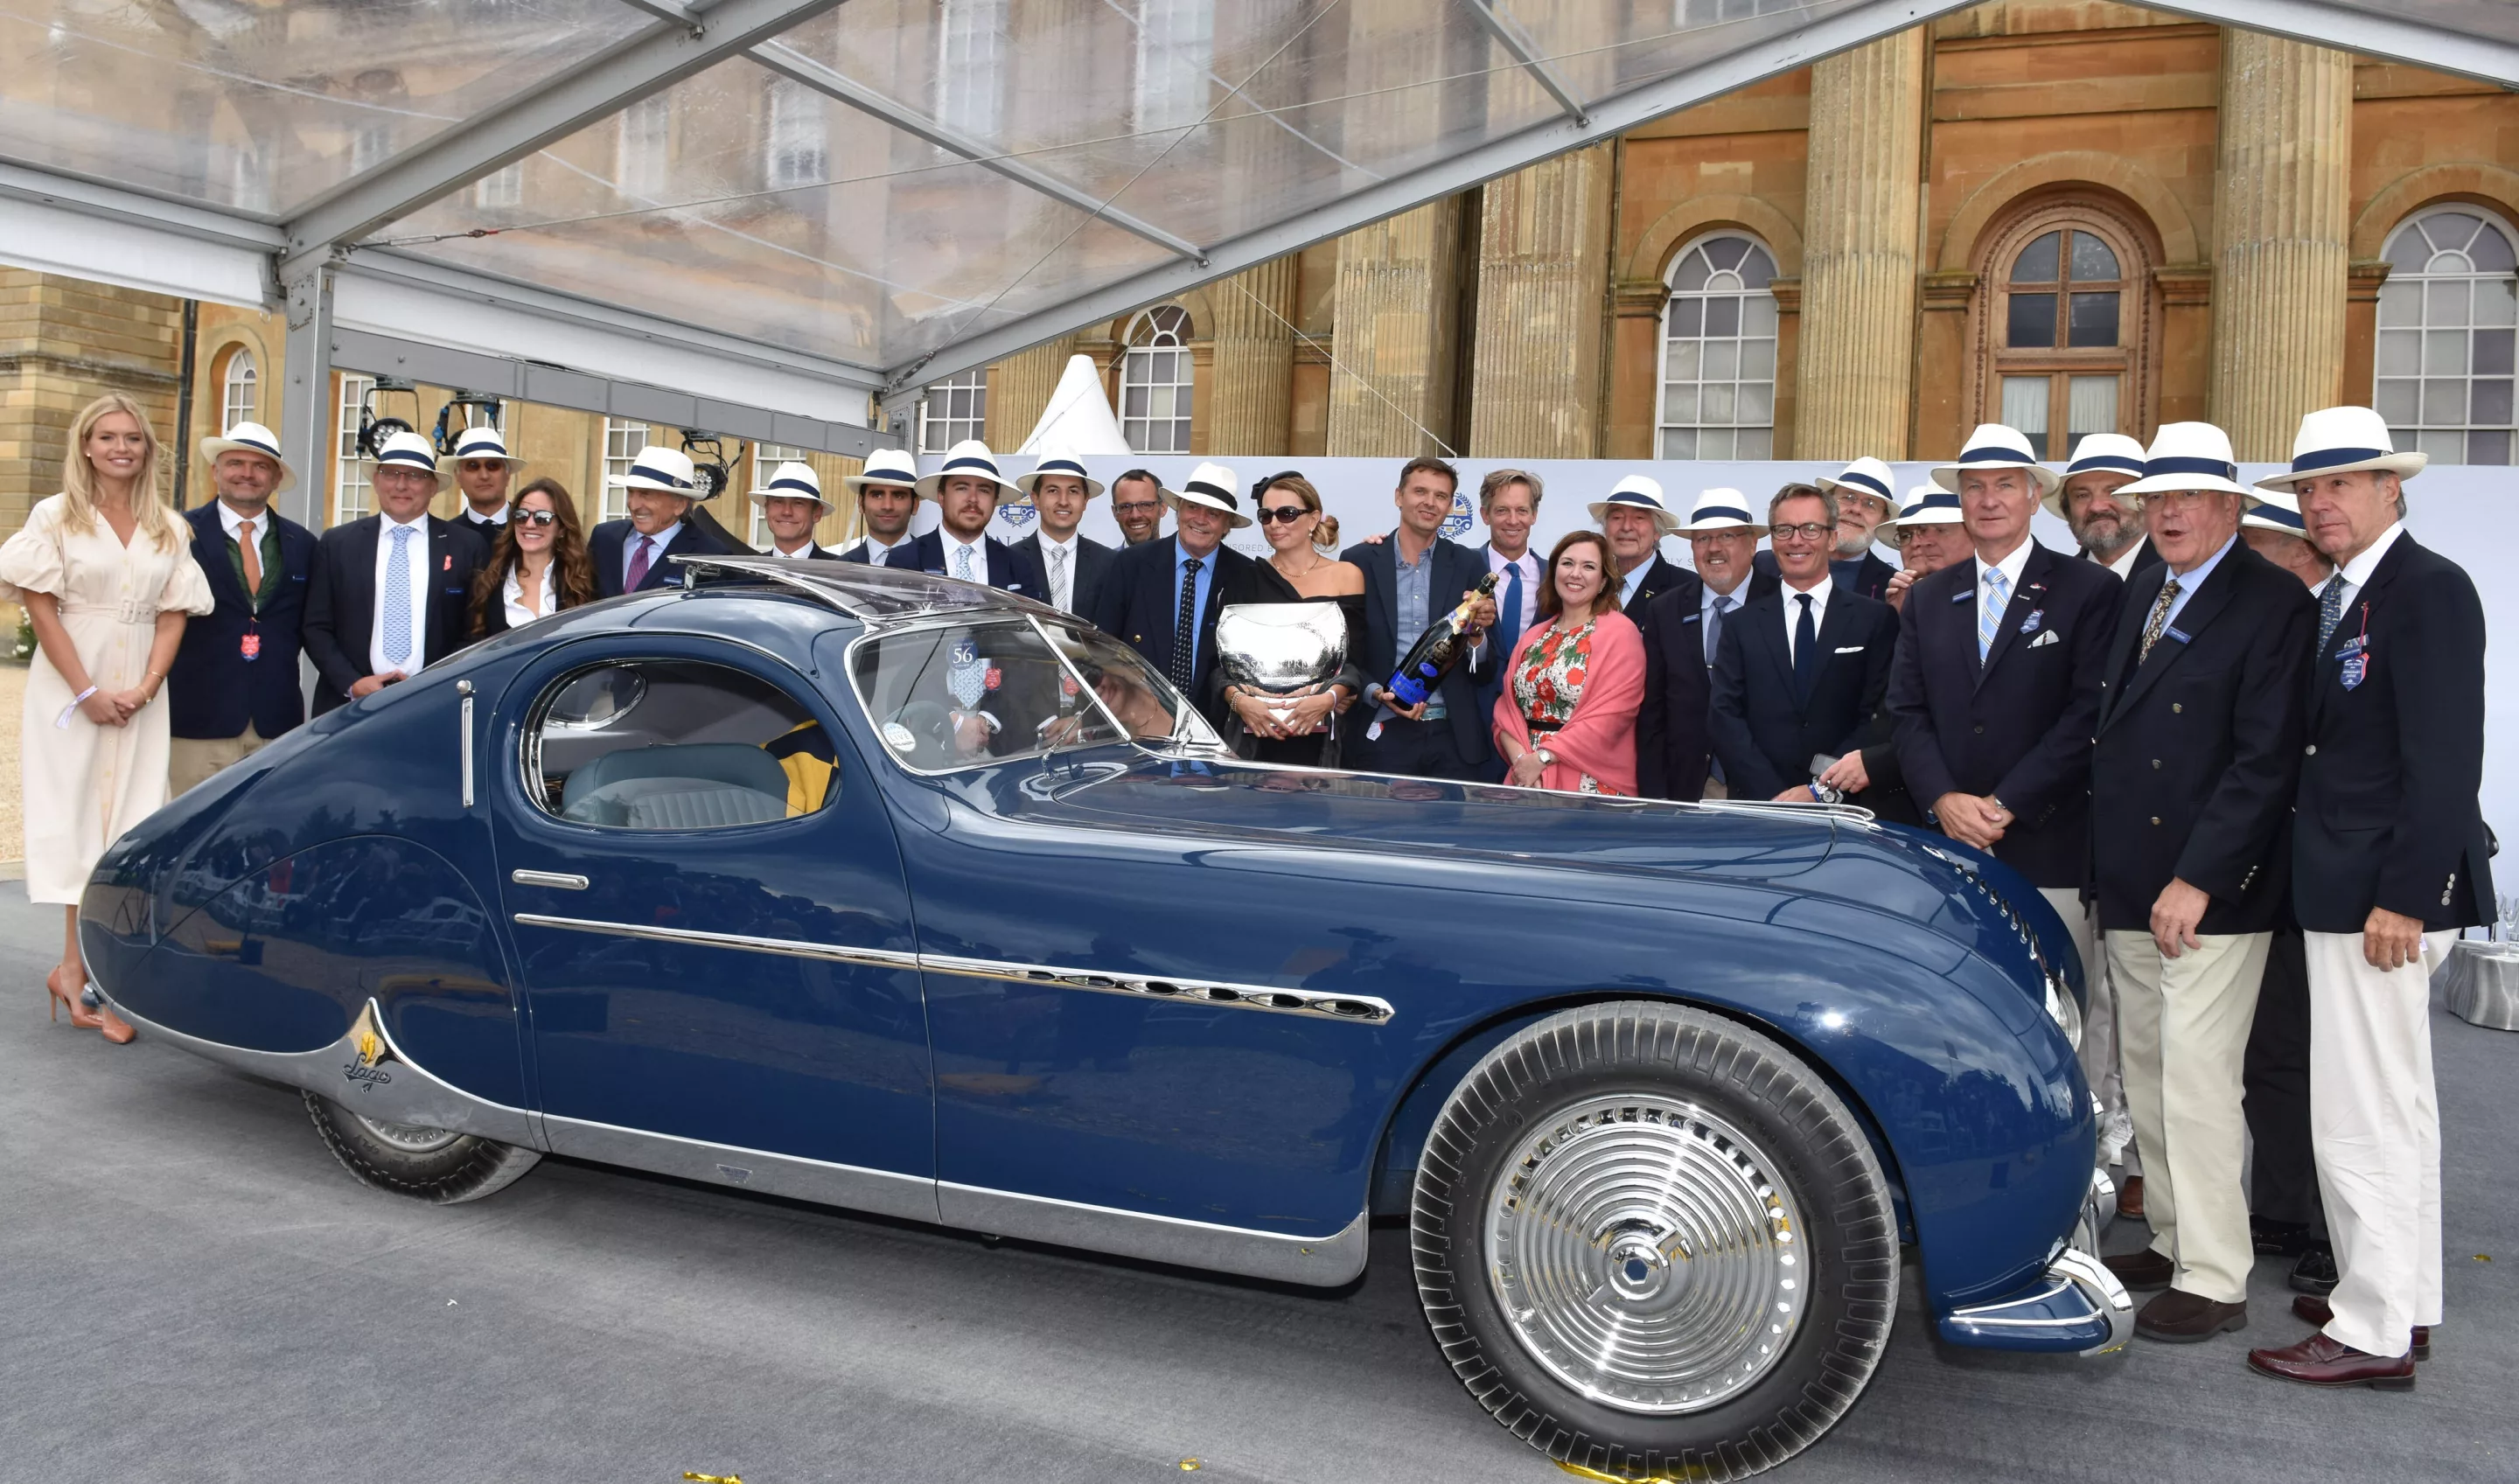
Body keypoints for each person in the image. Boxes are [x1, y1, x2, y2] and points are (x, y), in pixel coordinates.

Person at [2246, 407, 2494, 1391]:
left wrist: (2407, 894)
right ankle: (2402, 1297)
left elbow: (2443, 762)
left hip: (2379, 899)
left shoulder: (2425, 589)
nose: (2320, 502)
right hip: (2349, 887)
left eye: (2341, 483)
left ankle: (2372, 1325)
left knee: (2361, 1115)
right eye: (2309, 487)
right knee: (2393, 1109)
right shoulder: (2347, 595)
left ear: (2393, 487)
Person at [2084, 422, 2315, 1345]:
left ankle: (2217, 1275)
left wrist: (2200, 877)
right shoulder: (2148, 582)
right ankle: (2178, 1236)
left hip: (2210, 893)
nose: (2170, 512)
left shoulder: (2273, 603)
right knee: (2148, 1073)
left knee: (2198, 1080)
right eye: (2158, 497)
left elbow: (2264, 764)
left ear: (2231, 506)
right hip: (2135, 883)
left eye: (2191, 497)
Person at [1888, 422, 2121, 1106]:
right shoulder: (1932, 596)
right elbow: (1906, 712)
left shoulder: (2087, 590)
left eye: (2004, 486)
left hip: (2049, 844)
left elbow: (2088, 715)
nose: (1988, 499)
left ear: (2032, 497)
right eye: (1975, 487)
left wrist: (2007, 803)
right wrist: (1945, 800)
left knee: (2061, 1023)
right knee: (1954, 1018)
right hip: (1948, 847)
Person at [2, 394, 214, 1042]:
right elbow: (40, 609)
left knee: (130, 830)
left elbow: (175, 611)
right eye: (108, 436)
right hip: (71, 688)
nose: (122, 447)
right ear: (86, 446)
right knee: (75, 824)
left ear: (148, 449)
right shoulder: (54, 517)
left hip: (143, 689)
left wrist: (147, 686)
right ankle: (78, 971)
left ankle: (101, 973)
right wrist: (87, 689)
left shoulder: (167, 527)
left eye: (134, 438)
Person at [2235, 484, 2338, 1292]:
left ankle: (2334, 1230)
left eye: (2258, 550)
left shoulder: (2338, 621)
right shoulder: (2284, 626)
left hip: (2338, 878)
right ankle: (2280, 1205)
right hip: (2272, 874)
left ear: (2299, 554)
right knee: (2272, 1050)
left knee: (2335, 1062)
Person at [1709, 484, 1898, 804]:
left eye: (1811, 529)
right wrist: (1776, 795)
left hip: (1848, 804)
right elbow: (1725, 716)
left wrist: (1818, 790)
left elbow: (1878, 718)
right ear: (1772, 539)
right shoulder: (1740, 624)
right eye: (1784, 530)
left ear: (1832, 537)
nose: (1796, 540)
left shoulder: (1875, 619)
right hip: (1760, 804)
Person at [1090, 462, 1298, 733]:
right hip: (1138, 727)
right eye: (1192, 507)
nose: (1200, 519)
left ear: (1227, 525)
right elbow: (1100, 646)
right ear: (1177, 512)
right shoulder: (1131, 564)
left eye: (1213, 513)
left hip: (1218, 731)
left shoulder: (1247, 576)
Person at [167, 419, 317, 796]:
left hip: (276, 722)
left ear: (276, 478)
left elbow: (316, 626)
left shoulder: (304, 544)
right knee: (191, 835)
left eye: (260, 466)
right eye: (235, 463)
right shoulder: (177, 534)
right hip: (197, 723)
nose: (246, 474)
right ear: (216, 470)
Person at [303, 430, 491, 713]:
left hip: (435, 705)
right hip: (349, 708)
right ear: (377, 481)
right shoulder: (337, 543)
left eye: (415, 476)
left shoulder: (466, 545)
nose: (401, 485)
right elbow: (316, 627)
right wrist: (353, 683)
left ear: (432, 487)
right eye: (391, 474)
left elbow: (477, 630)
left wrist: (434, 682)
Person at [1342, 456, 1497, 781]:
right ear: (1399, 496)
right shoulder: (1358, 561)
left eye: (1441, 496)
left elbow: (1485, 671)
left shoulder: (1469, 563)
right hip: (1381, 731)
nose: (1430, 502)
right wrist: (1373, 691)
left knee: (1451, 832)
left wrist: (1477, 637)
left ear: (1450, 505)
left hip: (1454, 737)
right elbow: (1346, 652)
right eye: (1420, 491)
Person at [1215, 471, 1363, 766]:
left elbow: (1358, 658)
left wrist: (1330, 699)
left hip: (1325, 738)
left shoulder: (1347, 575)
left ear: (1313, 518)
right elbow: (1221, 662)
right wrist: (1240, 702)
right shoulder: (1244, 579)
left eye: (1287, 513)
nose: (1274, 524)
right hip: (1256, 737)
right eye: (1265, 515)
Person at [1636, 489, 1772, 801]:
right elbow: (1653, 714)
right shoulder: (1665, 610)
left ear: (1752, 544)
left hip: (1767, 792)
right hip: (1686, 791)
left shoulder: (1781, 602)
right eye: (1702, 539)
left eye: (1726, 536)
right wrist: (1654, 796)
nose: (1713, 549)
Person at [1492, 530, 1643, 795]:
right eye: (1567, 563)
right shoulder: (1534, 636)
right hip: (1527, 781)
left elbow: (1613, 716)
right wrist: (1522, 763)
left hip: (1590, 782)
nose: (1575, 574)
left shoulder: (1621, 633)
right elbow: (1505, 713)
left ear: (1603, 581)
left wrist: (1542, 759)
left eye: (1588, 566)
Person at [884, 439, 1049, 600]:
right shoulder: (904, 561)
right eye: (962, 488)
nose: (973, 499)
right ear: (941, 496)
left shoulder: (1018, 565)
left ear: (995, 500)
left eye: (984, 490)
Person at [1470, 470, 1545, 778]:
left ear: (1534, 515)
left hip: (1539, 735)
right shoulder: (1460, 568)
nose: (1512, 520)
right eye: (1502, 510)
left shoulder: (1559, 578)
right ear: (1485, 515)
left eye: (1521, 510)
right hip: (1472, 732)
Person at [590, 444, 731, 596]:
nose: (633, 504)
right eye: (630, 492)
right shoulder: (604, 538)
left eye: (646, 494)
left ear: (680, 504)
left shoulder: (710, 555)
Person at [471, 477, 596, 638]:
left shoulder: (583, 583)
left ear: (562, 529)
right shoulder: (489, 581)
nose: (529, 525)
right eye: (522, 516)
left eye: (542, 518)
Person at [1012, 455, 1115, 615]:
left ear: (1085, 501)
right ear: (1036, 499)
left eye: (1073, 491)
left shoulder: (1109, 563)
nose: (1063, 501)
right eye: (1053, 491)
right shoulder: (1010, 560)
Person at [2051, 433, 2161, 581]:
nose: (2097, 507)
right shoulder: (2056, 583)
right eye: (2082, 495)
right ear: (2068, 509)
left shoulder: (2178, 574)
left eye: (2114, 492)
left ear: (2146, 500)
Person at [1595, 475, 1691, 610]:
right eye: (1617, 517)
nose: (1626, 527)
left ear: (1657, 531)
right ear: (1605, 528)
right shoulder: (1588, 582)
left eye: (1639, 518)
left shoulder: (1687, 587)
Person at [1811, 456, 1900, 598]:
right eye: (1848, 497)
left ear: (1883, 520)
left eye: (1870, 504)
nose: (1856, 509)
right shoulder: (1774, 564)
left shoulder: (1892, 588)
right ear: (1828, 503)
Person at [1881, 485, 1970, 613]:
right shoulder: (1886, 597)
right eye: (1905, 536)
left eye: (1938, 530)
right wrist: (1900, 617)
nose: (1916, 543)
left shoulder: (1996, 589)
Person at [441, 424, 526, 542]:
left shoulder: (531, 528)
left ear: (508, 474)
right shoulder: (444, 538)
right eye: (473, 466)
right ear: (458, 476)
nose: (484, 476)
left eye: (492, 466)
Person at [834, 449, 919, 565]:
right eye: (877, 495)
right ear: (860, 503)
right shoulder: (840, 569)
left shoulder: (935, 562)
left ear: (915, 505)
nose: (887, 506)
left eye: (898, 496)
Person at [750, 460, 838, 560]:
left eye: (798, 503)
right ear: (766, 509)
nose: (787, 512)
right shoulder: (744, 572)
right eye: (778, 502)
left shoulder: (840, 571)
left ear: (817, 514)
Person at [1110, 469, 1168, 547]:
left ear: (1163, 508)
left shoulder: (1179, 558)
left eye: (1145, 505)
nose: (1135, 515)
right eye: (1125, 507)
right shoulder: (1108, 559)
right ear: (1115, 513)